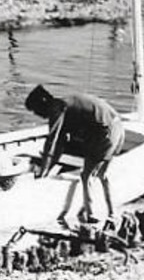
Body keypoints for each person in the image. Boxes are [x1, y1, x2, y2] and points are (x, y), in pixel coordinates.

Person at [25, 84, 125, 226]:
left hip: (105, 132)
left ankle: (91, 215)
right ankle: (112, 213)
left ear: (42, 104)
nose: (38, 115)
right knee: (102, 175)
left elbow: (51, 142)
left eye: (35, 111)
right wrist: (48, 167)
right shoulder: (65, 105)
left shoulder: (56, 108)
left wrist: (42, 174)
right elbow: (59, 145)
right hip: (118, 126)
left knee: (86, 176)